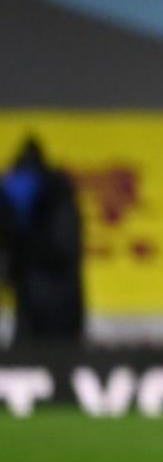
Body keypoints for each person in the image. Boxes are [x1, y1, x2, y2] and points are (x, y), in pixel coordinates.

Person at [1, 136, 84, 349]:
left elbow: (62, 249)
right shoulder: (60, 191)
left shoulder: (15, 191)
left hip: (42, 295)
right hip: (54, 299)